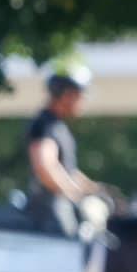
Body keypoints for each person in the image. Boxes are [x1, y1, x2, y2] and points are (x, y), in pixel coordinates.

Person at [24, 63, 107, 239]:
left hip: (59, 211)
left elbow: (67, 170)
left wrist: (93, 188)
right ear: (67, 95)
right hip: (50, 216)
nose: (82, 101)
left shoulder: (57, 125)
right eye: (80, 95)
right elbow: (45, 167)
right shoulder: (45, 124)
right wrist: (75, 194)